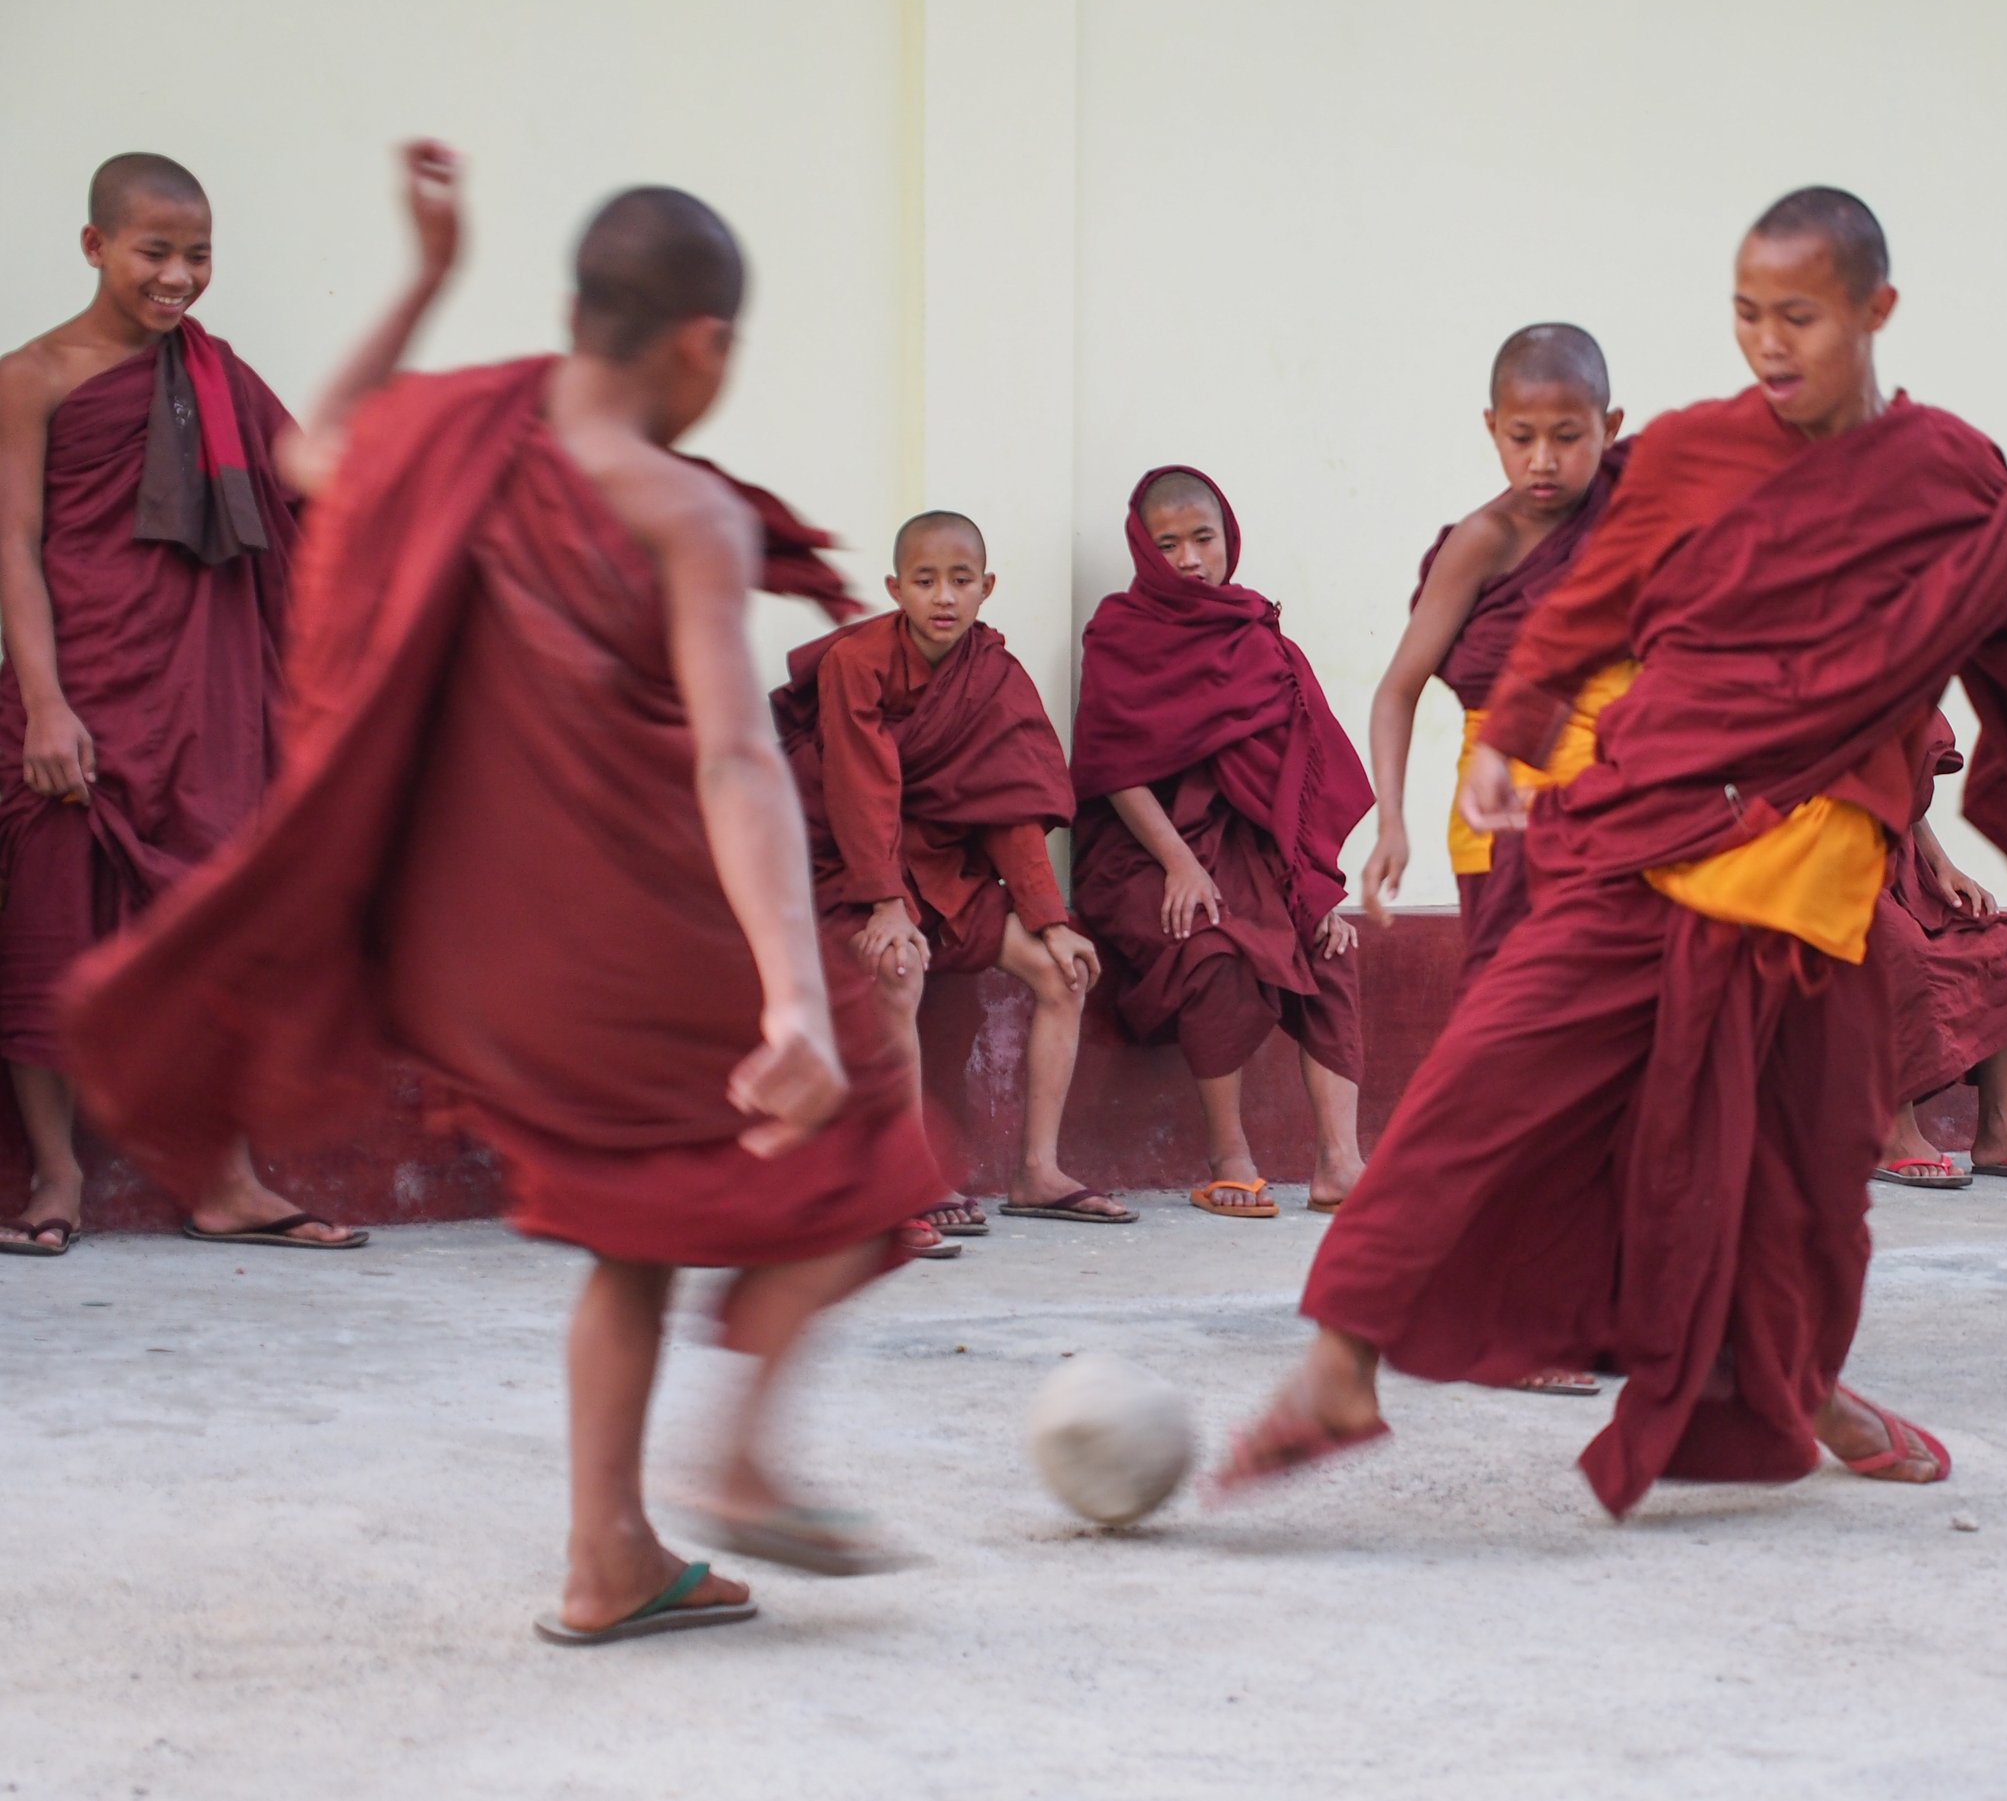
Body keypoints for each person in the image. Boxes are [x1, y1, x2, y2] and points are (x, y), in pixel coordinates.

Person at [1215, 187, 2007, 1513]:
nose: (1768, 343)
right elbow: (1575, 620)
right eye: (1747, 314)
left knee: (1803, 1182)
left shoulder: (1954, 486)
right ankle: (1342, 1367)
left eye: (1797, 314)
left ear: (1875, 311)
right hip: (1644, 852)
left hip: (1820, 893)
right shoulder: (1691, 458)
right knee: (1482, 1084)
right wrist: (1513, 736)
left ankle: (1795, 1387)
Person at [59, 170, 946, 1643]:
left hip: (499, 965)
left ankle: (610, 1557)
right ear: (704, 348)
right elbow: (736, 758)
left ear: (569, 317)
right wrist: (797, 997)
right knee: (879, 1146)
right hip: (656, 936)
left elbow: (311, 456)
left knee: (634, 1234)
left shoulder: (464, 438)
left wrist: (422, 275)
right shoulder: (683, 512)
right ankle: (741, 1451)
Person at [0, 147, 454, 1257]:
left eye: (198, 255)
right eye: (155, 252)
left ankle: (226, 1179)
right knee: (51, 931)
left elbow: (311, 477)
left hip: (209, 699)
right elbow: (11, 546)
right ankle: (55, 1173)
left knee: (219, 933)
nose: (180, 278)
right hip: (79, 692)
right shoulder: (33, 377)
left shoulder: (218, 373)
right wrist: (48, 704)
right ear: (95, 245)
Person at [773, 509, 1130, 1246]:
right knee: (896, 967)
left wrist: (1050, 918)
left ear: (986, 587)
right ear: (895, 587)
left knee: (1065, 973)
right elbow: (858, 786)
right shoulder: (857, 662)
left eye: (960, 581)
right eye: (926, 580)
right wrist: (884, 903)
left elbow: (1008, 805)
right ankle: (908, 1176)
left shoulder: (993, 676)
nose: (944, 597)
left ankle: (1037, 1171)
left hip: (941, 871)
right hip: (848, 865)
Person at [1070, 467, 1371, 1218]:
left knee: (1326, 944)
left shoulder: (1254, 633)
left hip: (1242, 841)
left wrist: (1318, 886)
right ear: (1143, 549)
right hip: (1143, 849)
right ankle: (1228, 1155)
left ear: (1227, 537)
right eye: (1167, 544)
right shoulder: (1121, 631)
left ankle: (1341, 1163)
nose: (1189, 560)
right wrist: (1178, 863)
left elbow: (1295, 776)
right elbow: (1112, 765)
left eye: (1202, 538)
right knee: (1212, 948)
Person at [1361, 324, 1627, 990]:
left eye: (1567, 438)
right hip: (1504, 823)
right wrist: (1391, 822)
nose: (1542, 459)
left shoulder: (1635, 518)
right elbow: (1397, 689)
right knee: (1520, 1030)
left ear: (1611, 427)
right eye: (1521, 437)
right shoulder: (1485, 540)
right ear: (1492, 427)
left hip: (1623, 814)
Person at [1870, 712, 2007, 1188]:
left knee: (1998, 940)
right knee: (1898, 948)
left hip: (1896, 859)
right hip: (1825, 861)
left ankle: (1997, 1132)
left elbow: (1899, 789)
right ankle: (1894, 1133)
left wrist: (1944, 865)